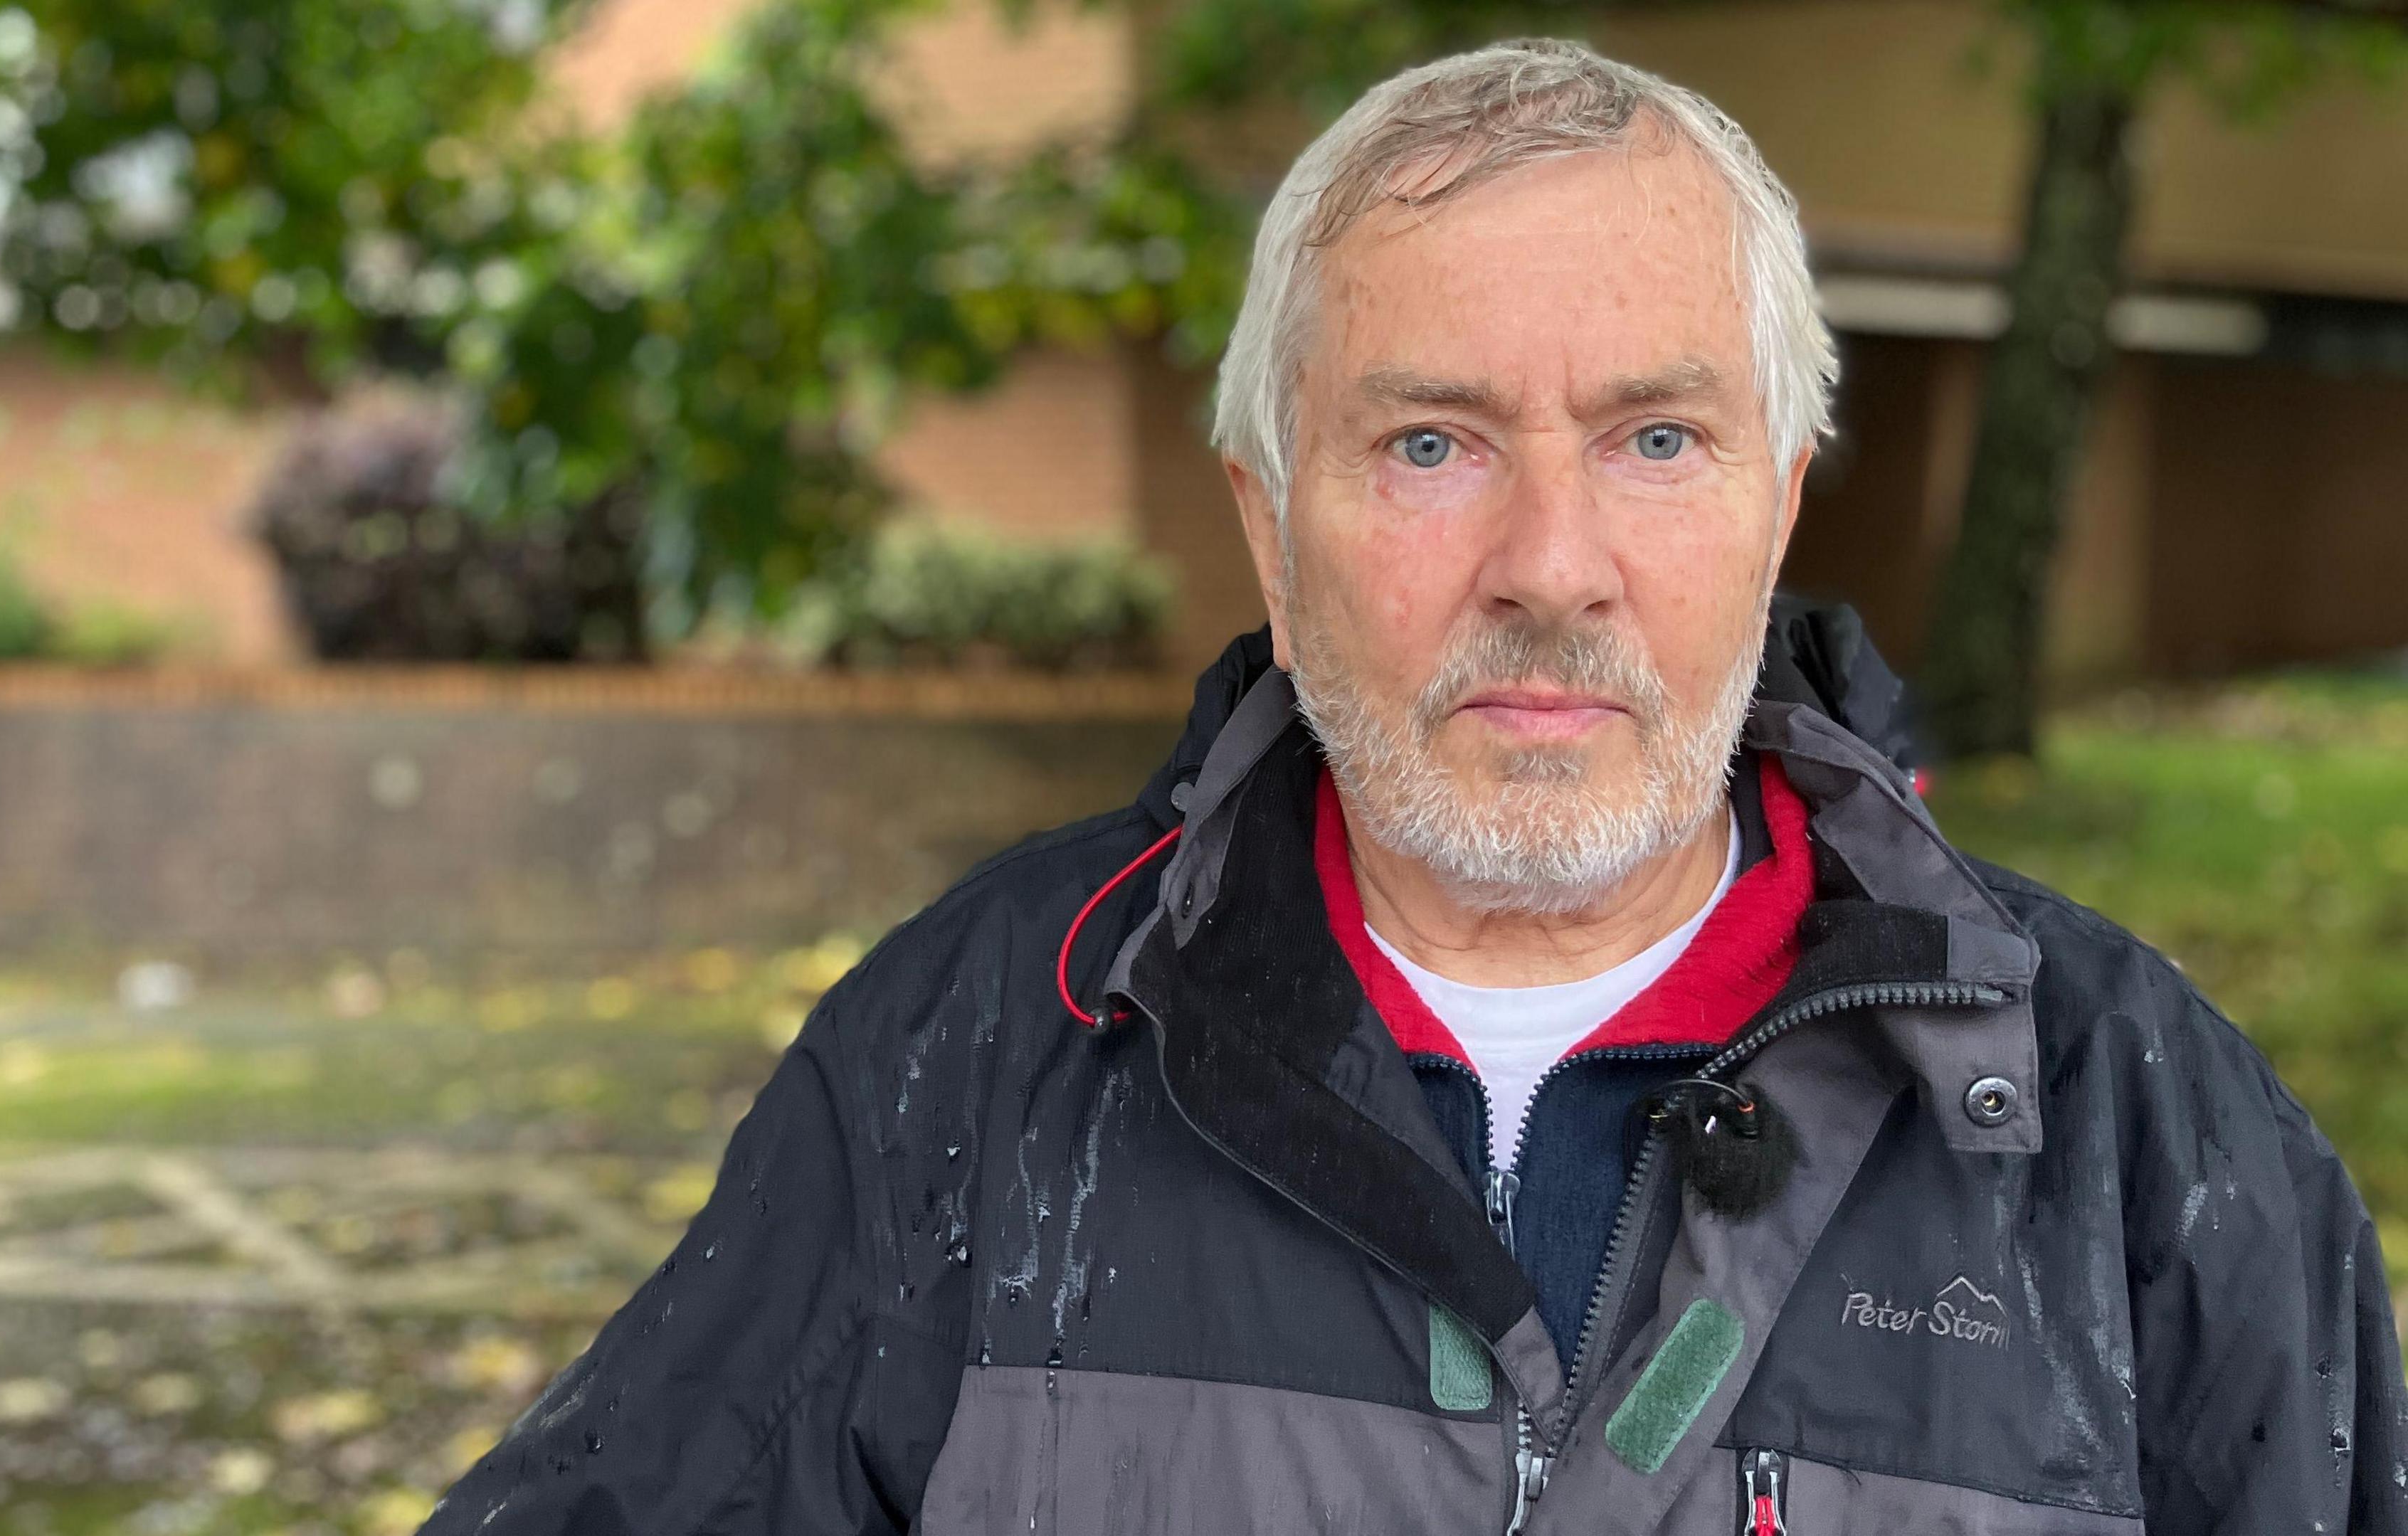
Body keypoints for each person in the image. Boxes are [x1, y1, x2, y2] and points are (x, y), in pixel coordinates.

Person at [424, 37, 2407, 1535]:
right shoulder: (969, 1062)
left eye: (1654, 438)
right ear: (1272, 535)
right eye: (1434, 446)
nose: (1551, 563)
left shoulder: (2138, 1129)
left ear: (1779, 502)